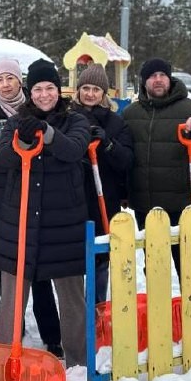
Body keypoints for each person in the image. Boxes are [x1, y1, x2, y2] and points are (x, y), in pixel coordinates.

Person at [0, 59, 91, 368]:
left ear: (58, 91)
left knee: (72, 298)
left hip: (63, 223)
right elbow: (5, 158)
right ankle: (0, 359)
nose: (44, 94)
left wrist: (47, 133)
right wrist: (21, 137)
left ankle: (79, 361)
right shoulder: (14, 122)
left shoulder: (75, 121)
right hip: (20, 220)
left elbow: (75, 149)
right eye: (37, 89)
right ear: (29, 91)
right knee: (12, 299)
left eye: (49, 88)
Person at [0, 58, 63, 358]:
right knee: (8, 267)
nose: (6, 84)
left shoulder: (34, 108)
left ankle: (52, 333)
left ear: (20, 81)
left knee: (41, 268)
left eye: (10, 78)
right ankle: (14, 326)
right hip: (1, 198)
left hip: (38, 196)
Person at [122, 57, 191, 274]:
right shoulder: (131, 114)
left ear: (170, 79)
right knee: (154, 267)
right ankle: (158, 308)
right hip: (145, 204)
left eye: (162, 75)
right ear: (143, 81)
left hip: (182, 204)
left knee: (187, 267)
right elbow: (125, 156)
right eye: (152, 76)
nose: (158, 80)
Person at [69, 63, 134, 303]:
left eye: (96, 89)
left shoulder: (116, 123)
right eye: (85, 87)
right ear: (78, 90)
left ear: (104, 93)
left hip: (103, 198)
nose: (90, 94)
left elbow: (126, 160)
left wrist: (108, 144)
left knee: (99, 258)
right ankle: (77, 314)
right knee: (73, 259)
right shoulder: (66, 117)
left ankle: (96, 309)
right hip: (73, 197)